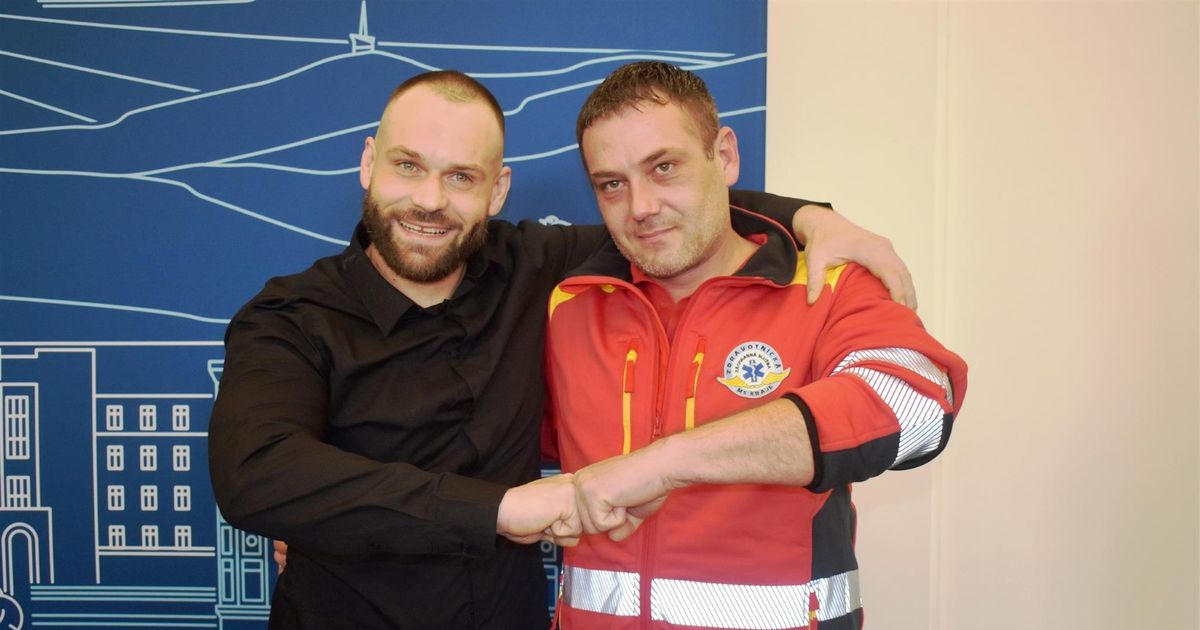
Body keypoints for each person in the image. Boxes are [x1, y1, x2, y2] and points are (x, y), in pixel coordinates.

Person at [209, 70, 917, 630]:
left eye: (461, 177)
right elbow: (255, 472)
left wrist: (813, 217)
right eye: (407, 166)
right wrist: (496, 510)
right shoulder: (291, 314)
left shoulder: (541, 268)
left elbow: (673, 215)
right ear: (369, 164)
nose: (429, 200)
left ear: (497, 190)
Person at [541, 61, 968, 629]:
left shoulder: (826, 283)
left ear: (724, 156)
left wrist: (666, 464)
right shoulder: (571, 304)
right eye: (611, 184)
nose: (640, 207)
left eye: (664, 167)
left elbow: (916, 408)